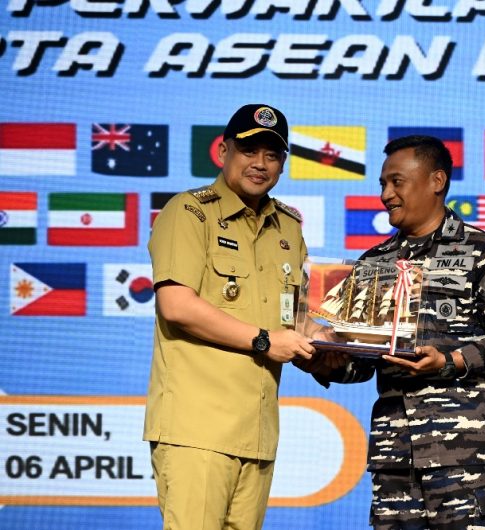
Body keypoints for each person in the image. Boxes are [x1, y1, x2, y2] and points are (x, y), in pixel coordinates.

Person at [305, 135, 485, 529]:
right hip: (395, 458)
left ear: (436, 181)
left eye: (397, 182)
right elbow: (361, 364)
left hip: (463, 457)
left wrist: (449, 361)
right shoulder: (374, 263)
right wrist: (319, 359)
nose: (385, 194)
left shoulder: (483, 251)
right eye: (382, 184)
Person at [143, 103, 316, 530]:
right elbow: (177, 305)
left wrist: (351, 342)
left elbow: (297, 321)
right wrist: (264, 340)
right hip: (197, 431)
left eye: (272, 155)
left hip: (258, 434)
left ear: (283, 164)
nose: (260, 164)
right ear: (224, 151)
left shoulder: (288, 227)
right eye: (249, 151)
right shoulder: (190, 212)